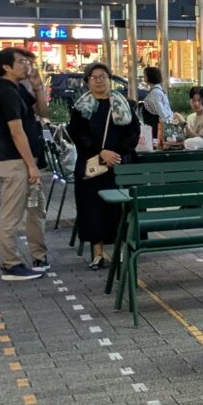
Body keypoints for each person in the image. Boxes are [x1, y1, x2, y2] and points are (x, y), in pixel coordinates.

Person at [66, 63, 139, 270]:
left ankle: (121, 251)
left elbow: (134, 131)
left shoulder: (123, 104)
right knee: (92, 208)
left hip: (119, 163)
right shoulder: (81, 107)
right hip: (92, 164)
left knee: (120, 209)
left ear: (110, 79)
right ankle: (97, 253)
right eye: (94, 77)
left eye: (103, 76)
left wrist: (116, 153)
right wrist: (101, 152)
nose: (99, 80)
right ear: (87, 81)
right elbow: (77, 134)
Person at [0, 47, 51, 282]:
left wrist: (37, 86)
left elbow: (43, 112)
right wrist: (31, 166)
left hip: (26, 161)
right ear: (6, 67)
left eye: (28, 62)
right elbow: (17, 132)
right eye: (22, 62)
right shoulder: (6, 93)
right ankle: (10, 264)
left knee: (36, 209)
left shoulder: (18, 89)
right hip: (15, 161)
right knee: (12, 214)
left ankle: (39, 256)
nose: (27, 66)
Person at [140, 66, 173, 147]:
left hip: (156, 129)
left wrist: (164, 129)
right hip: (156, 128)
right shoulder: (157, 91)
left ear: (149, 76)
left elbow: (161, 112)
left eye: (145, 75)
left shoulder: (155, 93)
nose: (143, 77)